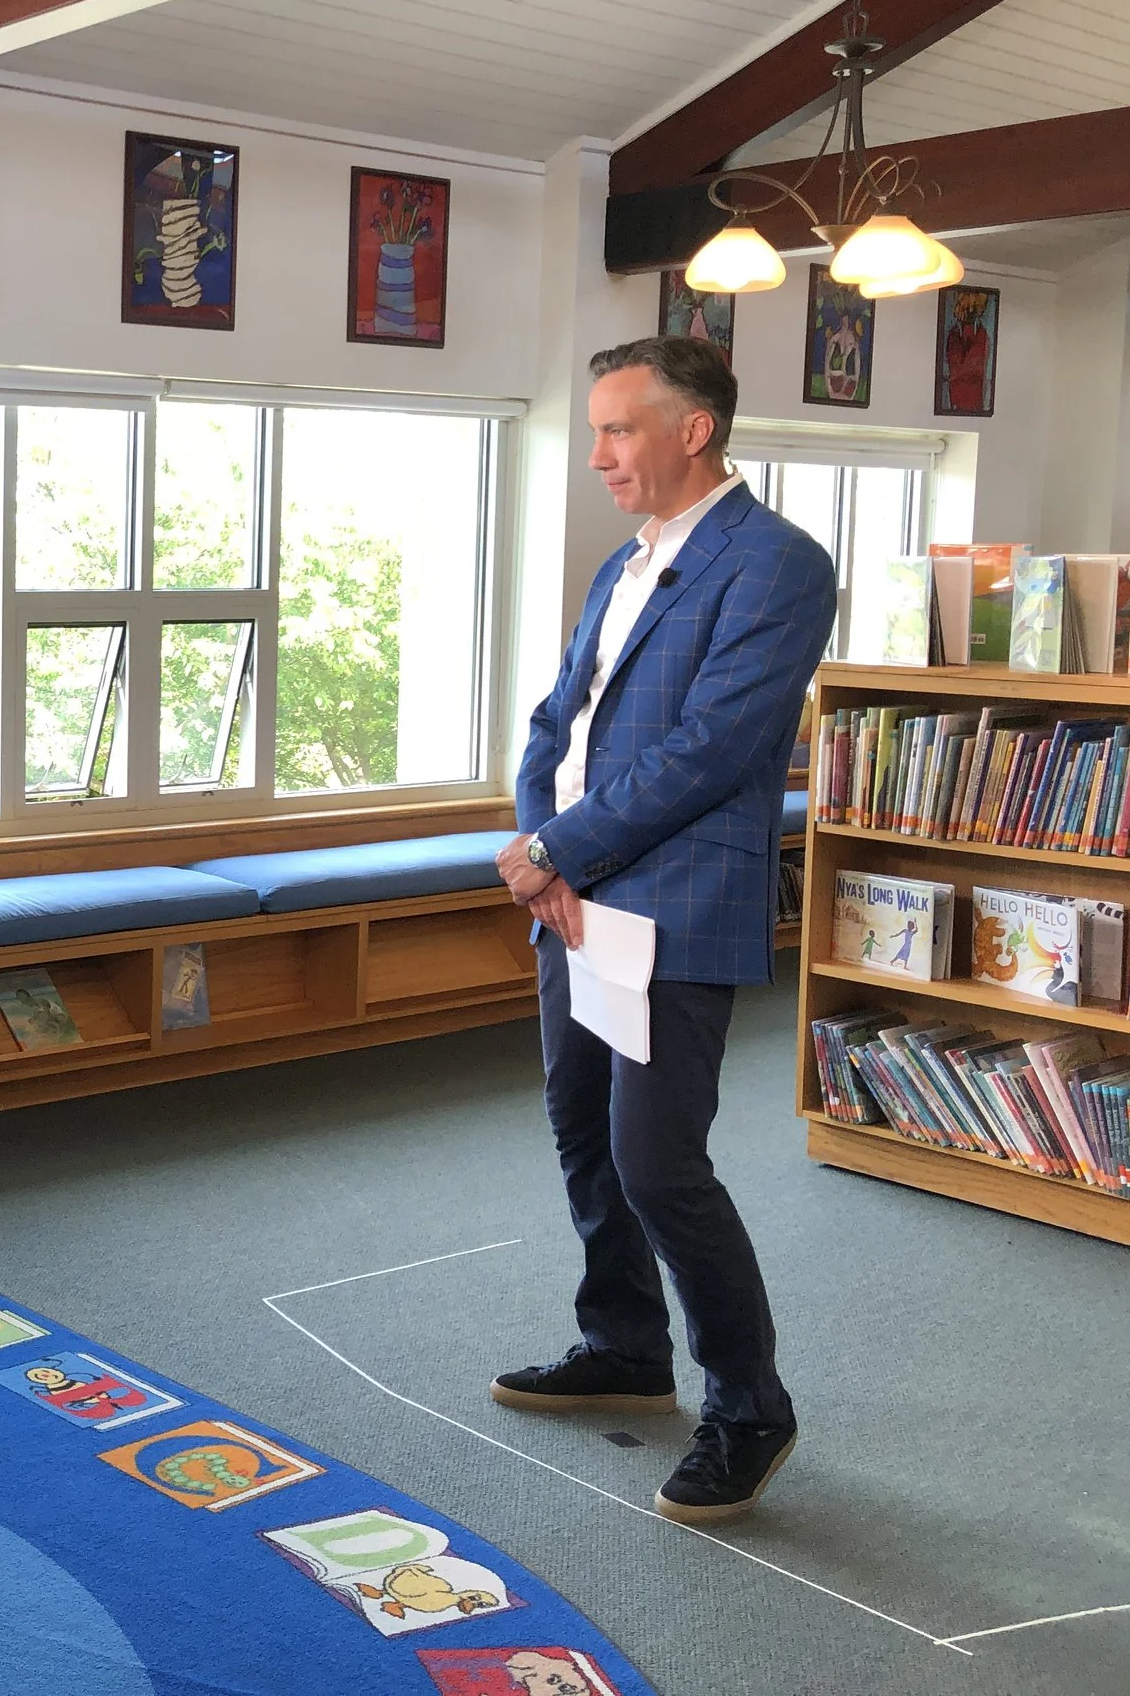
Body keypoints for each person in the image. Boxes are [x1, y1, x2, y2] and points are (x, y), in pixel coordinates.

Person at [491, 335, 834, 1524]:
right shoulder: (622, 564)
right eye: (593, 431)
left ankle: (748, 1407)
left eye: (617, 430)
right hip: (574, 903)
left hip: (672, 906)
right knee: (580, 1133)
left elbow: (716, 751)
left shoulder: (776, 564)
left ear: (693, 430)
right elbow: (557, 720)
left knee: (658, 1163)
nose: (597, 455)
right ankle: (625, 1345)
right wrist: (542, 843)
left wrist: (554, 851)